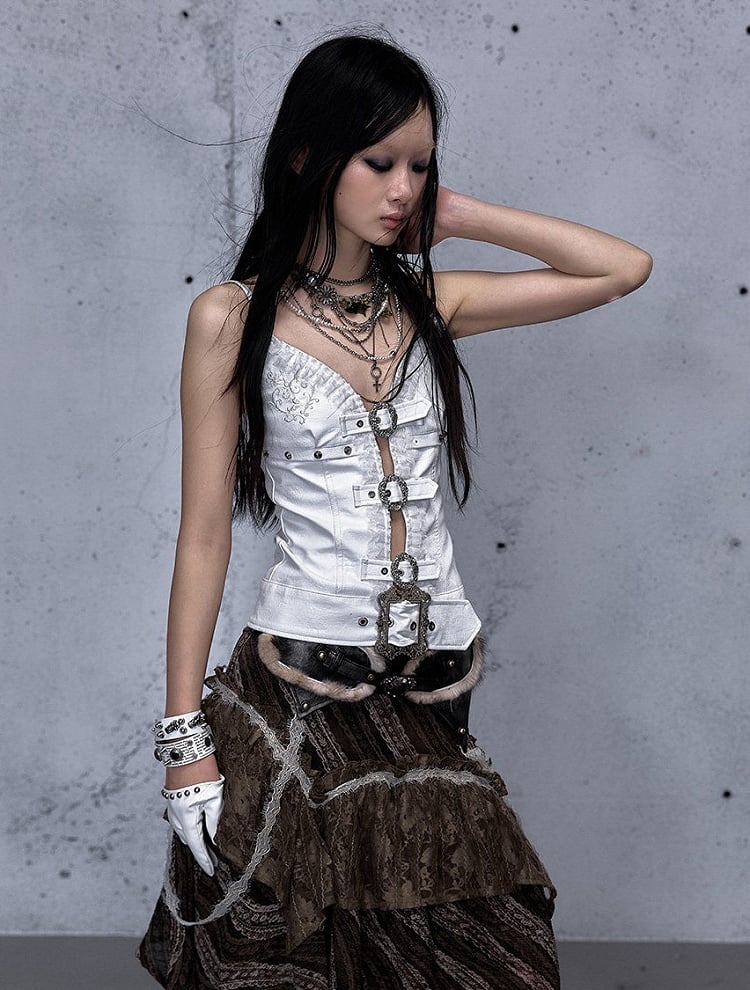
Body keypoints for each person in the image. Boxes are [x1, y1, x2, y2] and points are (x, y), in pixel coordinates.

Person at [137, 33, 651, 989]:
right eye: (380, 162)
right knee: (303, 961)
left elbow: (621, 268)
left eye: (420, 165)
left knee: (480, 960)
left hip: (435, 686)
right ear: (309, 157)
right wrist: (183, 743)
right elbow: (203, 537)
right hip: (300, 689)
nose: (403, 187)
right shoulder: (231, 319)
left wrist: (458, 214)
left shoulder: (430, 302)